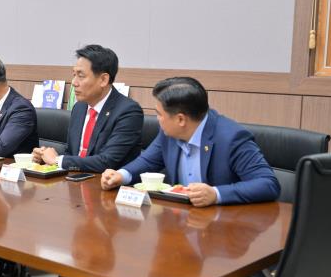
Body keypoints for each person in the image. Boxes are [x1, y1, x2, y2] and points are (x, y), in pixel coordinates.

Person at [34, 45, 143, 277]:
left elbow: (108, 160)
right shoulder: (80, 108)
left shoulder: (128, 111)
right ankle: (71, 271)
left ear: (104, 79)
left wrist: (59, 161)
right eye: (73, 75)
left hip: (110, 195)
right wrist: (46, 159)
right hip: (77, 188)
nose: (73, 83)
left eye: (81, 76)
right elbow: (76, 153)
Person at [101, 76, 280, 206]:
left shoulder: (231, 138)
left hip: (223, 232)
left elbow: (267, 183)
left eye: (159, 114)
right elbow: (148, 160)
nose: (157, 120)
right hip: (180, 221)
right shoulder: (169, 134)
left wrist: (216, 194)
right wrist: (121, 175)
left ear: (180, 119)